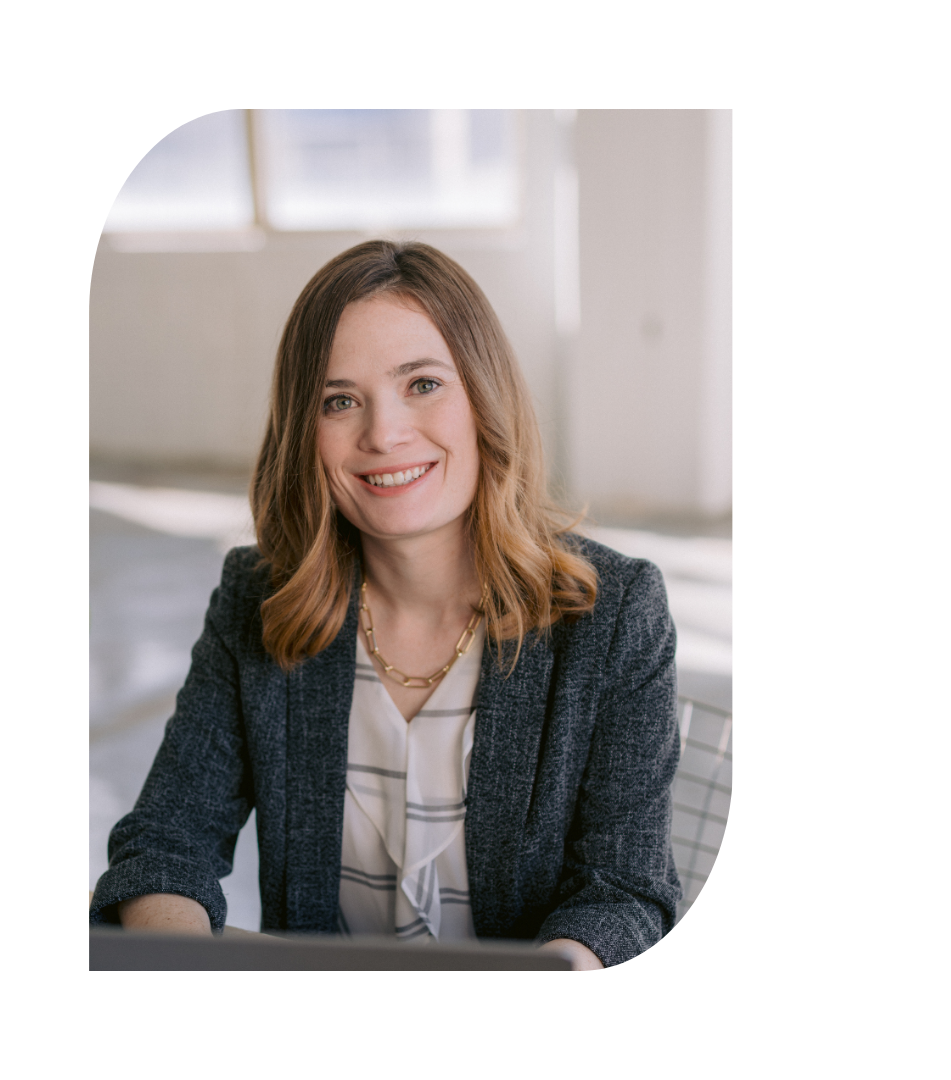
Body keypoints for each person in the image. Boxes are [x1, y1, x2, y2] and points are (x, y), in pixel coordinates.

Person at [89, 240, 682, 969]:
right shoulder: (259, 600)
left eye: (423, 384)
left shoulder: (616, 616)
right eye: (340, 401)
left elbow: (624, 890)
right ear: (305, 432)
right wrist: (181, 971)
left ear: (483, 398)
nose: (382, 433)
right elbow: (166, 841)